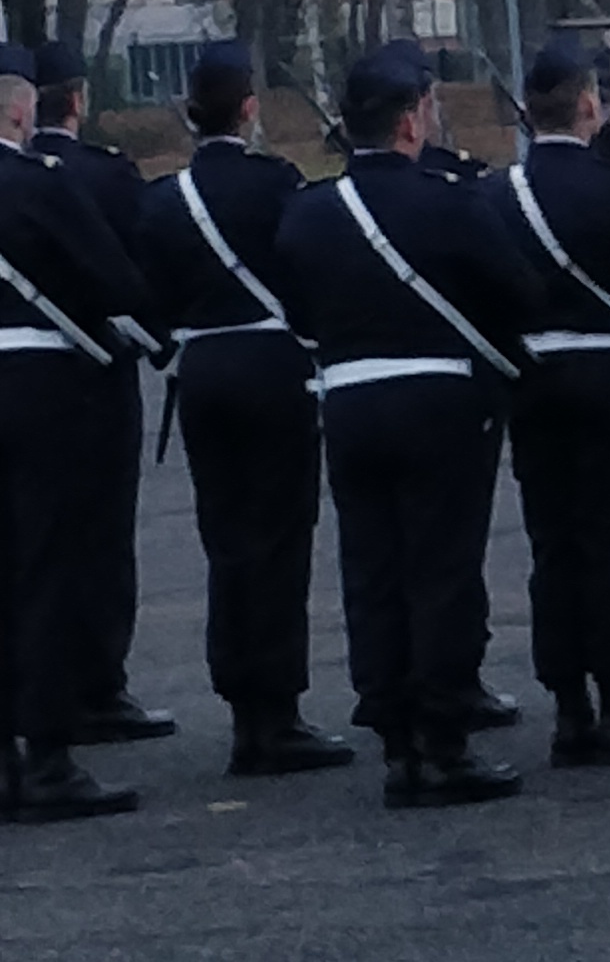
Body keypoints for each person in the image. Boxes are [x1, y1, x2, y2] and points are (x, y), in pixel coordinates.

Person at [277, 41, 545, 806]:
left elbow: (300, 312)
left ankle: (394, 731)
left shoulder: (309, 213)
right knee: (440, 571)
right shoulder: (450, 201)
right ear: (408, 120)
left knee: (372, 572)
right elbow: (519, 293)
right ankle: (443, 735)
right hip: (440, 398)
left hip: (350, 401)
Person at [133, 44, 353, 778]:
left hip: (202, 371)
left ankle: (242, 708)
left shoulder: (165, 199)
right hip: (271, 364)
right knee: (282, 537)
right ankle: (279, 709)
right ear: (249, 109)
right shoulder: (276, 184)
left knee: (226, 541)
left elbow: (153, 295)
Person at [485, 33, 610, 768]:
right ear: (590, 107)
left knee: (554, 541)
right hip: (609, 375)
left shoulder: (496, 193)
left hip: (533, 378)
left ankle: (569, 705)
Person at [0, 40, 156, 821]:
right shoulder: (38, 184)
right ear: (22, 110)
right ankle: (50, 753)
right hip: (36, 387)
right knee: (45, 568)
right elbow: (117, 280)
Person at [29, 38, 174, 747]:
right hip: (90, 367)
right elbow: (132, 271)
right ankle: (95, 684)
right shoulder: (103, 176)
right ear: (77, 101)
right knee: (99, 536)